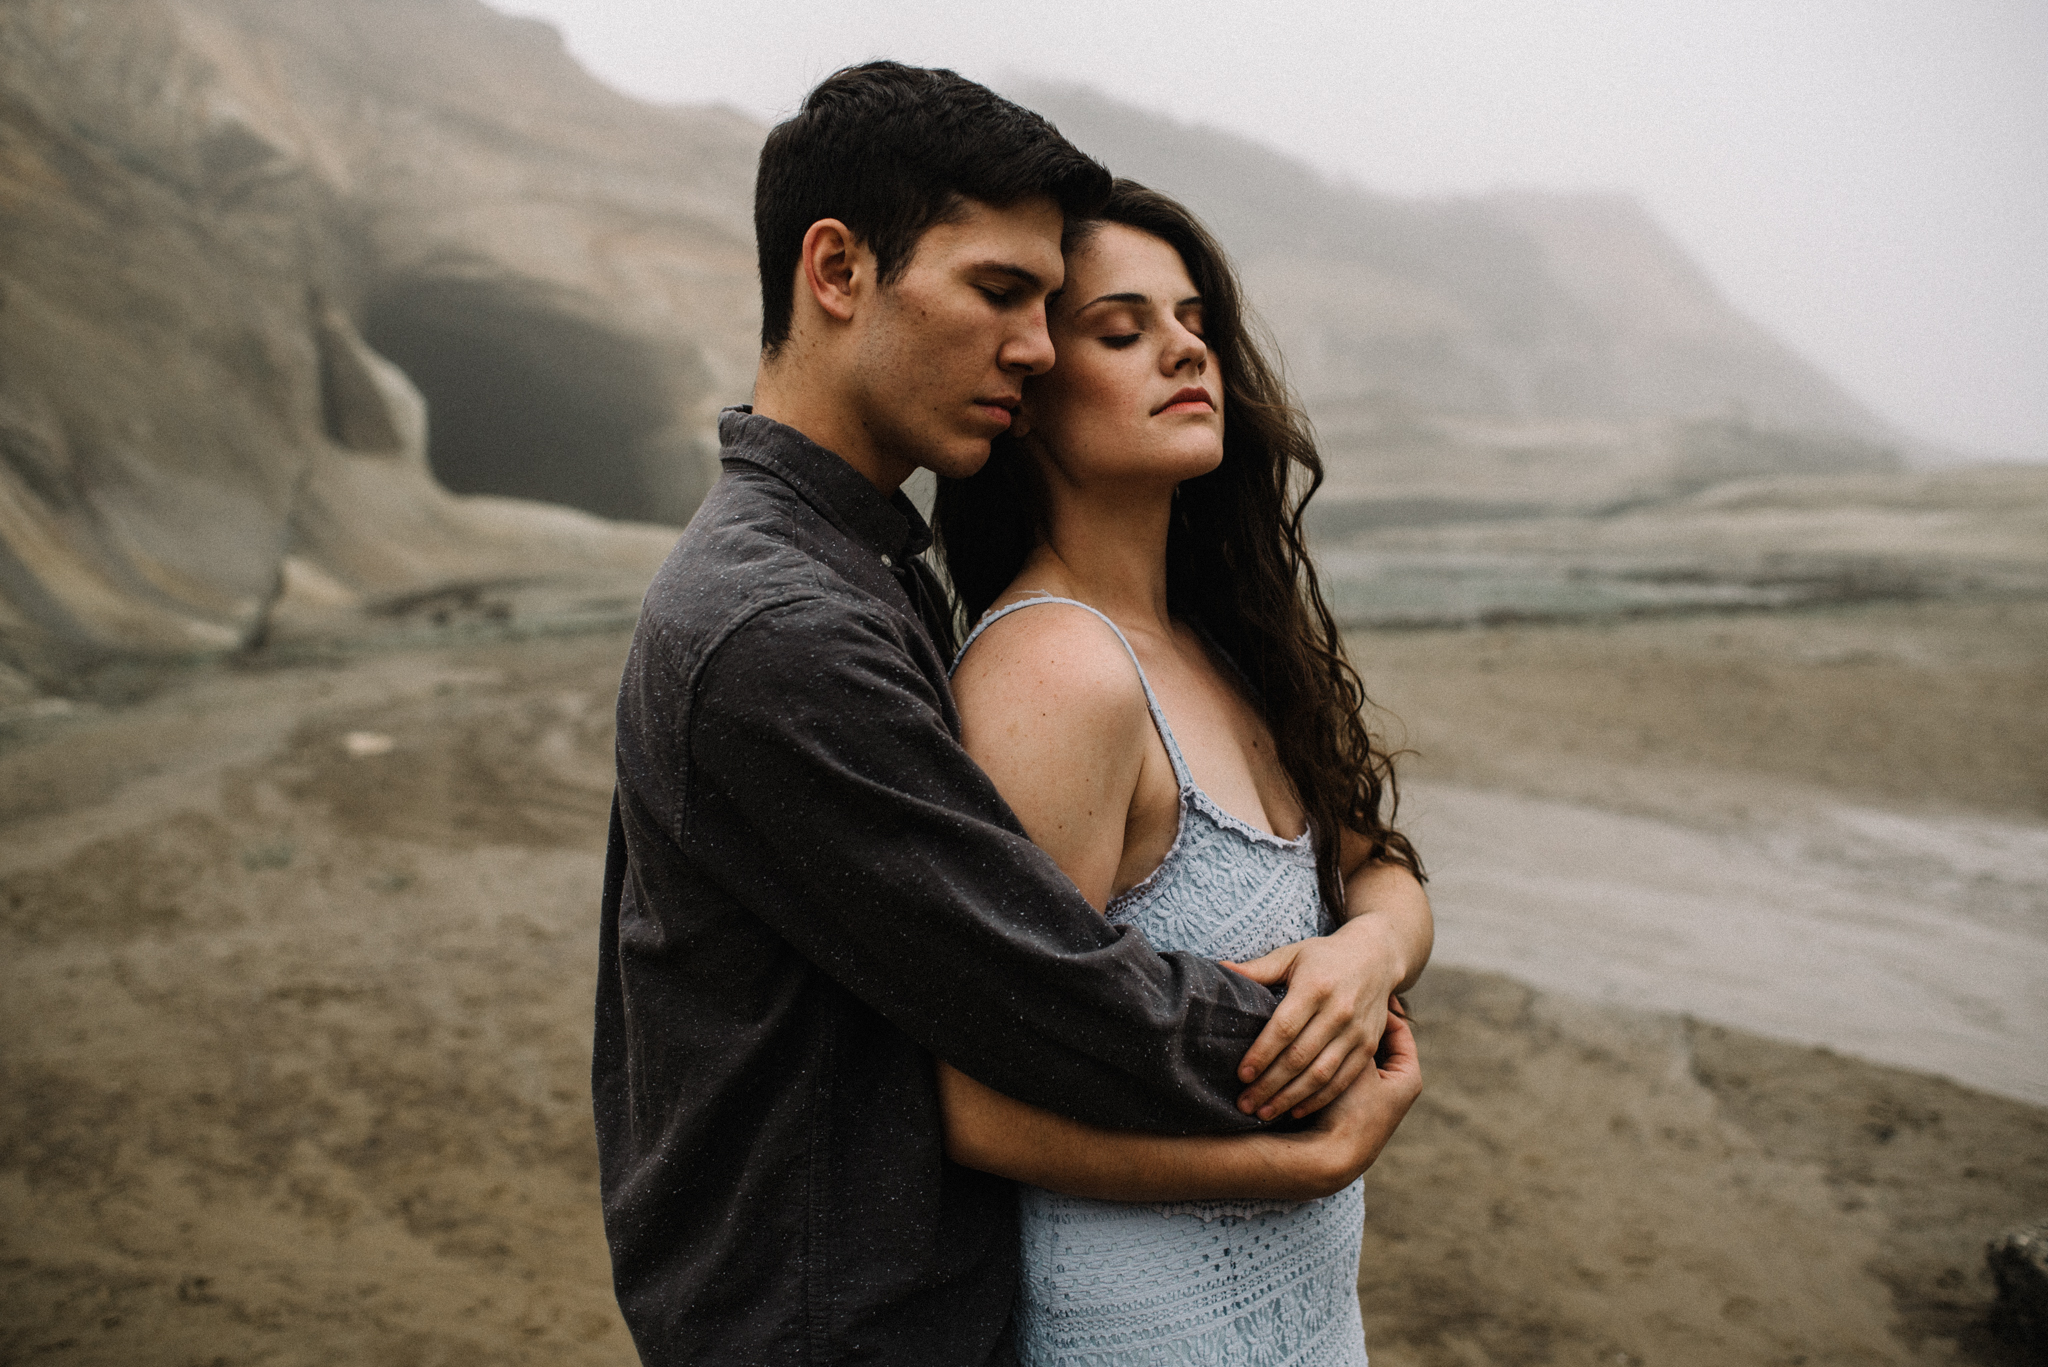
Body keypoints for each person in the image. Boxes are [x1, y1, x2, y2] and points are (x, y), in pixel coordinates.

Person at [593, 63, 1421, 1366]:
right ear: (837, 269)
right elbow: (1051, 996)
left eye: (1049, 306)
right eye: (1000, 294)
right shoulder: (784, 624)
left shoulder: (859, 571)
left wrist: (1371, 949)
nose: (1031, 348)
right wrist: (1335, 1075)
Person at [930, 180, 1433, 1364]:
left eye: (1193, 317)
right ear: (1028, 392)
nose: (1184, 347)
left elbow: (1380, 872)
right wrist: (1297, 1159)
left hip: (1310, 1323)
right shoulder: (1054, 672)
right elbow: (978, 1102)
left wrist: (1367, 954)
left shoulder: (1223, 642)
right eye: (1121, 329)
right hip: (1144, 1326)